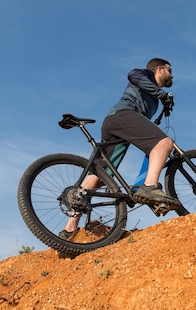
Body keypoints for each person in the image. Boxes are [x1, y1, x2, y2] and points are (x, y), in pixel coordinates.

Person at [60, 58, 179, 240]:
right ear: (160, 69)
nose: (172, 75)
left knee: (100, 176)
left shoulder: (154, 95)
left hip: (117, 122)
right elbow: (133, 75)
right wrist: (161, 94)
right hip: (123, 116)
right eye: (170, 70)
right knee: (164, 144)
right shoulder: (147, 76)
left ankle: (69, 230)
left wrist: (162, 102)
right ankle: (149, 187)